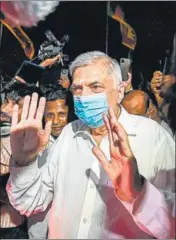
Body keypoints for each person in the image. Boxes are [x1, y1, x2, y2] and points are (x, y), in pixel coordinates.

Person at [7, 51, 175, 239]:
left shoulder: (153, 137)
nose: (84, 96)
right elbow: (30, 204)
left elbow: (172, 225)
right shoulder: (68, 135)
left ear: (120, 91)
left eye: (95, 87)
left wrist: (138, 193)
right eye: (77, 89)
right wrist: (24, 163)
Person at [27, 85, 76, 239]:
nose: (55, 121)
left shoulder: (80, 139)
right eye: (50, 115)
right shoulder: (33, 140)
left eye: (62, 114)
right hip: (40, 218)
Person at [0, 80, 42, 239]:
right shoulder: (4, 132)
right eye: (6, 101)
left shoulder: (42, 145)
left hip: (19, 230)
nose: (4, 108)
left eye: (15, 104)